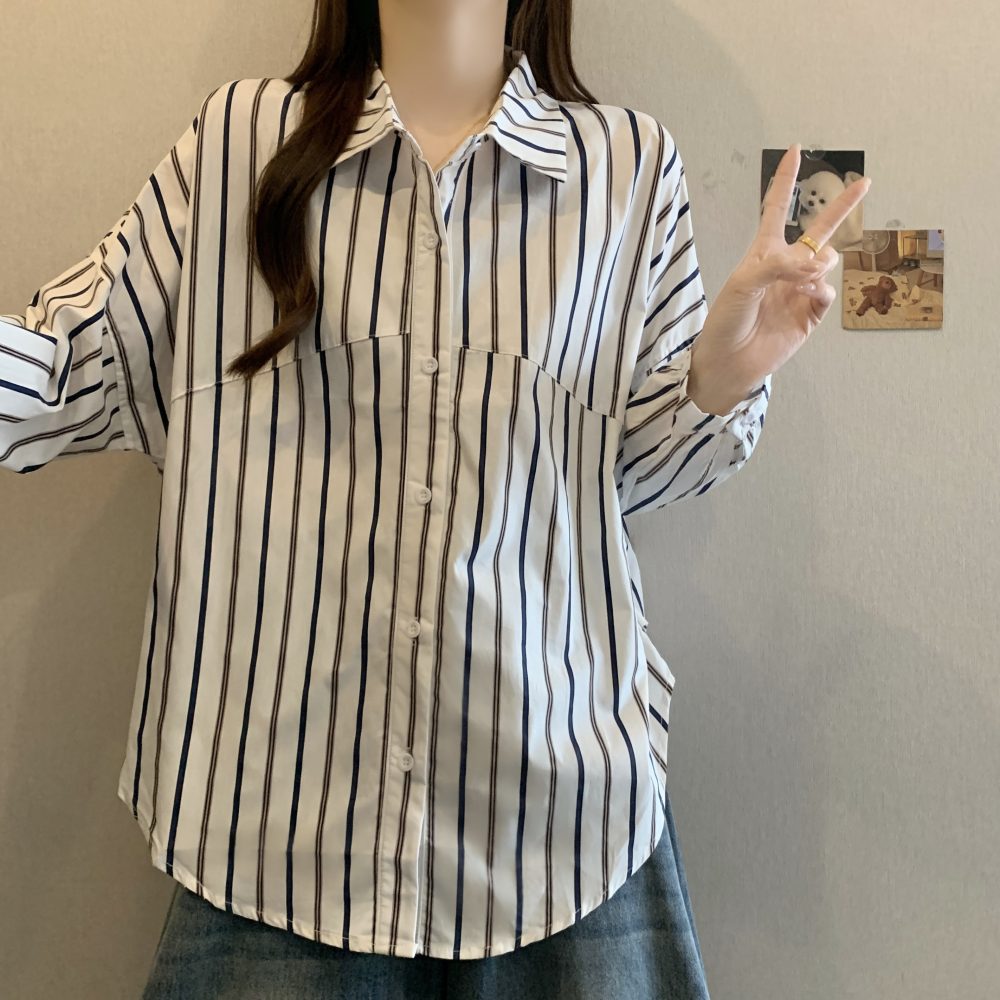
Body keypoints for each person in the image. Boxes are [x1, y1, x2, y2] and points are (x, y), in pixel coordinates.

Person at [0, 0, 869, 996]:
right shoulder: (241, 143)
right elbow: (68, 369)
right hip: (273, 828)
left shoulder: (626, 165)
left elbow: (630, 476)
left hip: (559, 821)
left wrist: (720, 379)